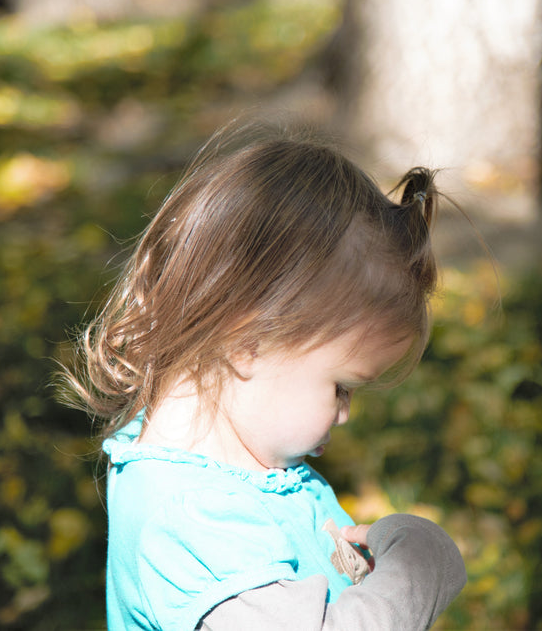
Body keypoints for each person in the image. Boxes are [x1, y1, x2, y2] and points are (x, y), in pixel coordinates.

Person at [64, 125, 467, 630]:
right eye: (341, 387)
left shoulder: (242, 471)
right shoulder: (195, 523)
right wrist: (418, 567)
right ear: (247, 342)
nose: (344, 414)